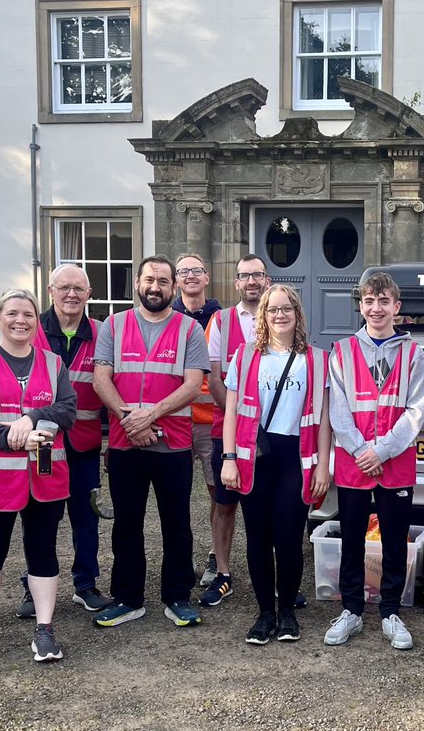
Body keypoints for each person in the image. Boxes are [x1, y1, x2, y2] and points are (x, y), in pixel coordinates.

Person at [0, 289, 76, 663]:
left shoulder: (54, 363)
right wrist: (14, 438)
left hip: (46, 477)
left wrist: (32, 418)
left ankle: (44, 629)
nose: (20, 320)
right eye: (12, 313)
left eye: (27, 313)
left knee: (43, 552)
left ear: (35, 320)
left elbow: (68, 410)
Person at [92, 255, 209, 629]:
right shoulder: (113, 325)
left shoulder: (189, 329)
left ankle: (178, 596)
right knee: (126, 523)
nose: (155, 287)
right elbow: (101, 380)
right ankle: (128, 598)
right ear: (137, 284)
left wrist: (150, 415)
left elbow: (192, 385)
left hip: (172, 443)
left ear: (173, 287)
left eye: (162, 280)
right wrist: (131, 421)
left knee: (177, 523)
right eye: (148, 280)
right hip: (127, 442)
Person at [220, 285, 331, 644]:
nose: (280, 315)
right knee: (257, 538)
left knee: (287, 539)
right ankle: (264, 612)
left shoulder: (316, 358)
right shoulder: (246, 356)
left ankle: (287, 612)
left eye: (287, 309)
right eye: (272, 310)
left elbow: (324, 418)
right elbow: (232, 410)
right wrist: (229, 459)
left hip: (296, 459)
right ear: (262, 316)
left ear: (297, 314)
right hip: (255, 458)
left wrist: (323, 466)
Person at [323, 272, 424, 650]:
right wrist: (359, 451)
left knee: (394, 542)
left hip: (394, 463)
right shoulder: (342, 351)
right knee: (350, 539)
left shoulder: (413, 354)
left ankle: (390, 611)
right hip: (354, 464)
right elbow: (338, 411)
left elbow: (415, 412)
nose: (376, 308)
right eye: (369, 301)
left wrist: (380, 451)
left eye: (384, 301)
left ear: (396, 308)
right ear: (361, 306)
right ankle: (350, 609)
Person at [15, 264, 112, 618]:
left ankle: (85, 584)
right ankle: (33, 584)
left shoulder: (102, 334)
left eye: (79, 289)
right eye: (64, 288)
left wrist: (112, 442)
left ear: (89, 294)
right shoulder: (31, 329)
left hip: (84, 445)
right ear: (51, 290)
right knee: (39, 519)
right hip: (41, 445)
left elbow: (111, 387)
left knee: (86, 517)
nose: (71, 295)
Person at [201, 254, 270, 606]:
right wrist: (240, 420)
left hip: (272, 432)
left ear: (267, 280)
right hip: (225, 428)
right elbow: (214, 379)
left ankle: (271, 579)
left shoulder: (281, 317)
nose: (252, 282)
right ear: (236, 282)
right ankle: (223, 573)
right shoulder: (220, 321)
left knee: (269, 505)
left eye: (257, 275)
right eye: (245, 276)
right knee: (224, 502)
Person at [171, 253, 226, 595]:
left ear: (207, 278)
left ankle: (214, 556)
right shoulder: (165, 315)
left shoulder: (221, 319)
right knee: (174, 496)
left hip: (207, 423)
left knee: (216, 495)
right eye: (183, 272)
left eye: (196, 270)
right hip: (174, 420)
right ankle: (180, 557)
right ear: (177, 280)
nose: (190, 276)